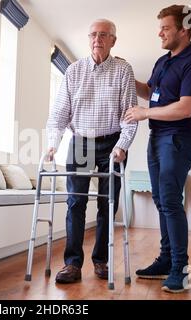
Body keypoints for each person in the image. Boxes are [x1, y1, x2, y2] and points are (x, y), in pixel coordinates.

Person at [124, 5, 191, 293]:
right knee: (162, 200)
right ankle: (164, 261)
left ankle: (179, 269)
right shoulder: (163, 61)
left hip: (179, 140)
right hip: (157, 139)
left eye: (166, 28)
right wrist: (126, 76)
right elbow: (151, 91)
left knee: (170, 201)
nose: (159, 32)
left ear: (184, 29)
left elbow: (186, 108)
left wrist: (145, 113)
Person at [46, 19, 138, 284]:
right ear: (89, 39)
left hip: (112, 143)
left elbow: (129, 115)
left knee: (107, 204)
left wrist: (122, 146)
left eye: (103, 35)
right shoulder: (74, 71)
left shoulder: (123, 70)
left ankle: (102, 260)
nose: (97, 39)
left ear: (113, 40)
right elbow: (59, 113)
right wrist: (53, 142)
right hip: (81, 142)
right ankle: (73, 264)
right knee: (76, 202)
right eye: (93, 35)